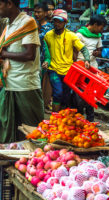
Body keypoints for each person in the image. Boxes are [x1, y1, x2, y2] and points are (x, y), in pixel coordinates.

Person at [0, 0, 44, 143]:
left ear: (9, 4)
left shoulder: (27, 22)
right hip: (9, 83)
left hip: (25, 85)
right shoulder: (8, 24)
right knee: (9, 129)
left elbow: (29, 55)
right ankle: (12, 161)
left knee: (32, 131)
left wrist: (4, 54)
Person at [43, 9, 90, 112]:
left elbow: (83, 49)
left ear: (65, 22)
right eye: (55, 21)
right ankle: (54, 118)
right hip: (53, 69)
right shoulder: (48, 35)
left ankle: (62, 118)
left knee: (66, 95)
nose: (57, 24)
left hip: (68, 71)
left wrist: (87, 59)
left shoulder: (71, 35)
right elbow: (45, 52)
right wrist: (46, 61)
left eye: (60, 21)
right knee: (57, 93)